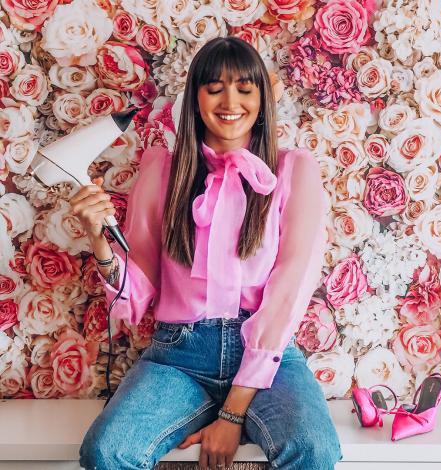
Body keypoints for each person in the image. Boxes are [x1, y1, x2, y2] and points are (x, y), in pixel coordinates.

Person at [74, 37, 343, 470]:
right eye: (215, 88)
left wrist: (232, 415)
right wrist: (97, 237)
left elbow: (289, 291)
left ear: (262, 100)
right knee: (107, 450)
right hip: (178, 356)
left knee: (313, 448)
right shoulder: (162, 171)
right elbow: (134, 299)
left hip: (267, 356)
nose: (230, 102)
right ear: (196, 99)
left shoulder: (294, 170)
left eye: (245, 89)